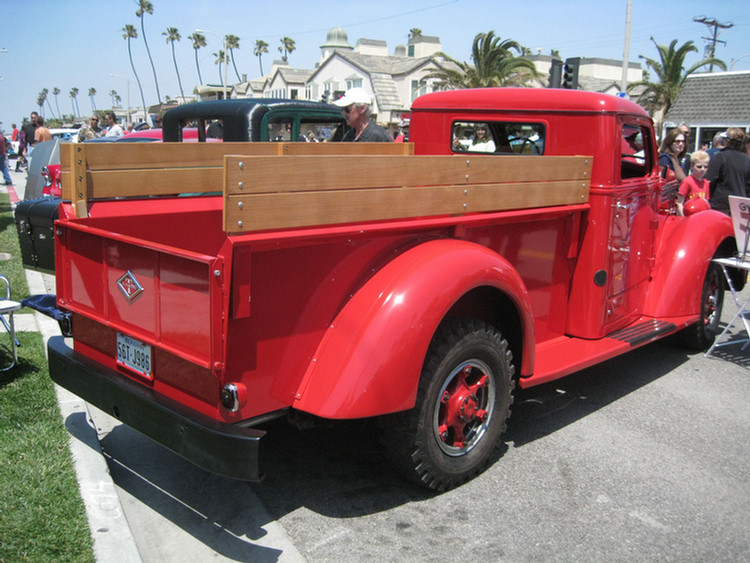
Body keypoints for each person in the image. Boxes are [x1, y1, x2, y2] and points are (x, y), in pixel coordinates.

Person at [706, 127, 750, 214]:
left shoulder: (720, 157)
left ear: (728, 141)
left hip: (720, 205)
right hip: (740, 206)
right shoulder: (746, 159)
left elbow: (710, 179)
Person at [676, 150, 710, 216]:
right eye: (699, 166)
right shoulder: (687, 181)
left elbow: (706, 202)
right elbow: (679, 202)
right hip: (688, 216)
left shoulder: (706, 183)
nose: (702, 169)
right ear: (692, 166)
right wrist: (684, 217)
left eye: (705, 167)